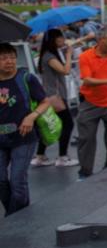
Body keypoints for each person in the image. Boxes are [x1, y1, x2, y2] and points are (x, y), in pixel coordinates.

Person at [1, 42, 53, 215]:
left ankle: (17, 216)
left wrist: (31, 117)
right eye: (3, 58)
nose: (8, 61)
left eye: (11, 57)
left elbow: (45, 101)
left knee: (17, 180)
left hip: (23, 137)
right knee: (1, 181)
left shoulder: (26, 78)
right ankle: (13, 213)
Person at [76, 27, 107, 179]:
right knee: (86, 138)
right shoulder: (86, 56)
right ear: (100, 40)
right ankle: (85, 171)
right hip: (90, 102)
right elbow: (87, 80)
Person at [34, 29, 78, 167]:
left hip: (50, 95)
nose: (64, 40)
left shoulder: (46, 55)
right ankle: (62, 157)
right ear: (54, 40)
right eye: (61, 37)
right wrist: (70, 55)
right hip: (55, 96)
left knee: (49, 126)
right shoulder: (50, 57)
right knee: (67, 124)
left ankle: (40, 156)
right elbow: (66, 71)